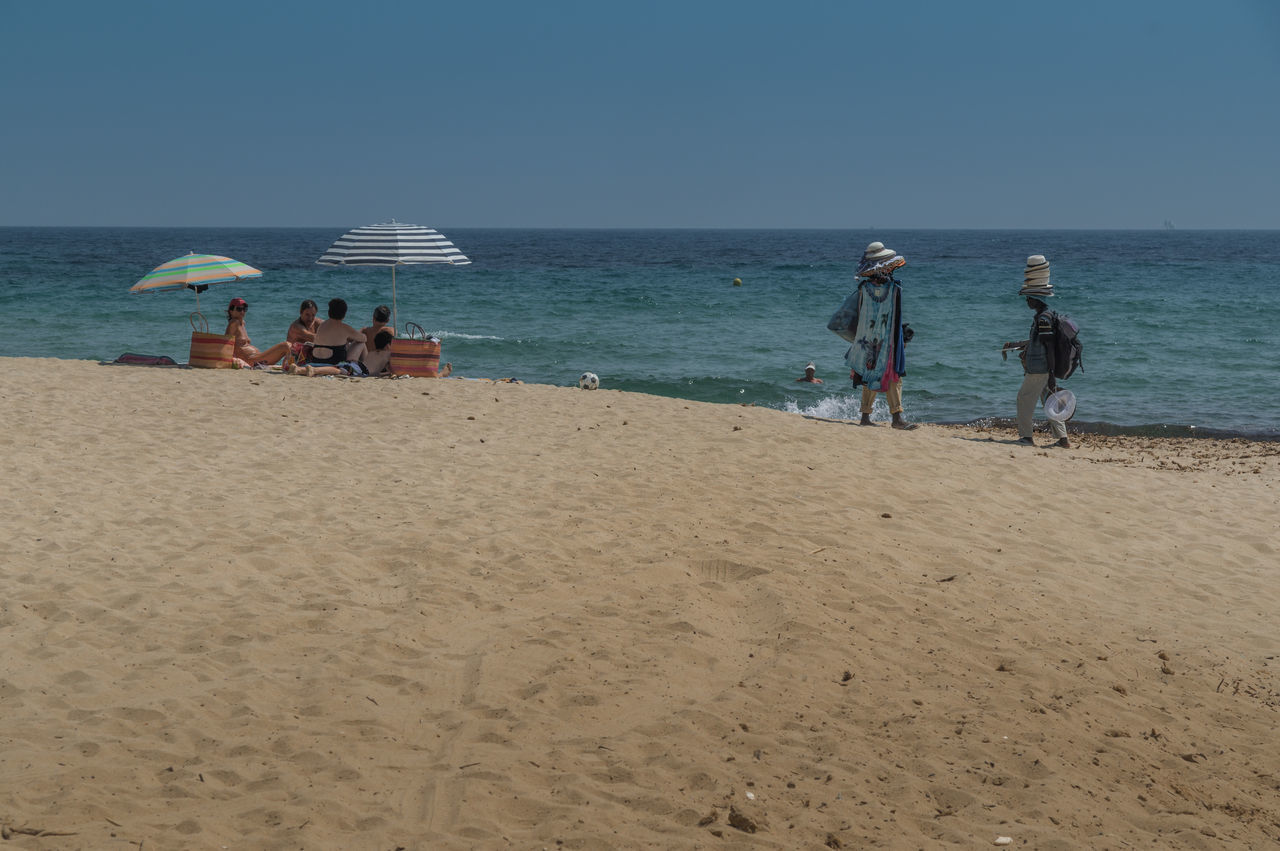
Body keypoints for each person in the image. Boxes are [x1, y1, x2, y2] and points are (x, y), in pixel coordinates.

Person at [837, 242, 916, 429]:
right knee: (891, 375)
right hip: (886, 340)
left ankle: (870, 417)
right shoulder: (892, 288)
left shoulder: (864, 288)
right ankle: (894, 418)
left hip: (869, 340)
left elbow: (861, 314)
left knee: (870, 374)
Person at [1003, 255, 1070, 448]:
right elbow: (1039, 342)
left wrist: (1050, 374)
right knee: (1050, 402)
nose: (1027, 302)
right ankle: (1062, 439)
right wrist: (1014, 344)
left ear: (1036, 299)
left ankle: (1026, 437)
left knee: (1023, 400)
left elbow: (1048, 347)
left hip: (1040, 369)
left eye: (1028, 298)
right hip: (1043, 368)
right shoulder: (1044, 316)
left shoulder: (1043, 319)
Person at [224, 297, 291, 368]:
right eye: (239, 309)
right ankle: (289, 367)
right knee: (286, 345)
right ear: (231, 311)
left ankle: (288, 366)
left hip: (257, 358)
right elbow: (226, 345)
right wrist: (234, 361)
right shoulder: (234, 323)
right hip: (252, 361)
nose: (242, 312)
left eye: (244, 309)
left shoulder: (242, 323)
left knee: (289, 345)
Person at [309, 298, 367, 367]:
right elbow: (364, 338)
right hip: (333, 362)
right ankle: (366, 367)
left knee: (345, 344)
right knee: (361, 343)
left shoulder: (322, 325)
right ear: (344, 314)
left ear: (329, 312)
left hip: (316, 360)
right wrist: (358, 333)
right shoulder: (345, 328)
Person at [286, 299, 320, 365]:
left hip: (309, 361)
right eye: (307, 315)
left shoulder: (316, 322)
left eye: (313, 315)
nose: (310, 318)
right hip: (292, 362)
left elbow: (330, 327)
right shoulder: (296, 326)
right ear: (301, 313)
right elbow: (313, 337)